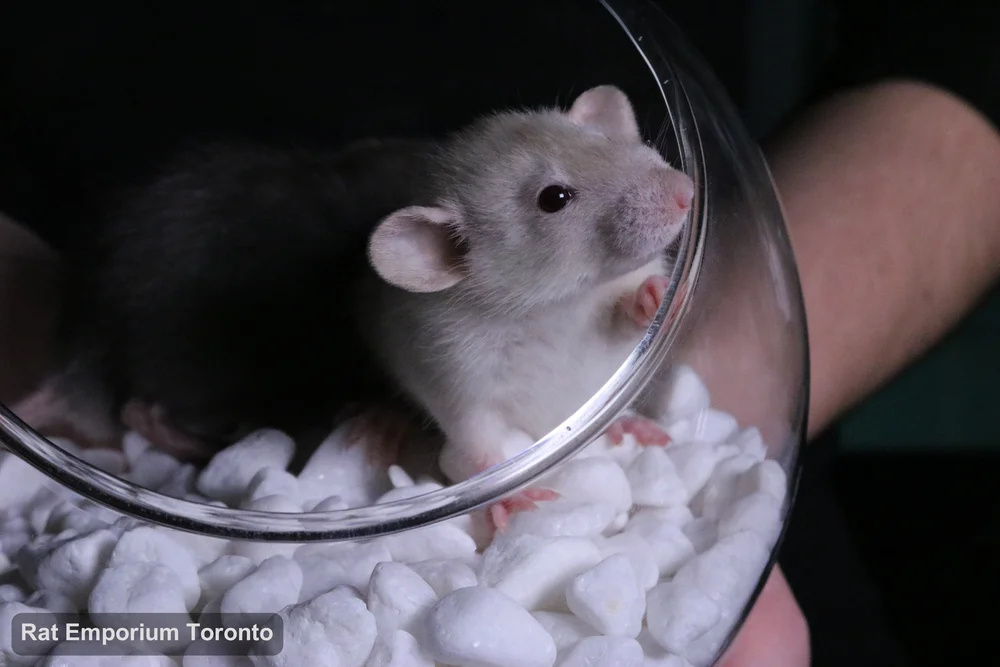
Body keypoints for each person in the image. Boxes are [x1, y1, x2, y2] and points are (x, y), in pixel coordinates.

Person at [1, 2, 999, 666]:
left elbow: (963, 41)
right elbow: (460, 409)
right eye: (560, 195)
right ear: (443, 253)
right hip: (99, 356)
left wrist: (707, 403)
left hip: (761, 434)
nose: (667, 191)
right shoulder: (412, 291)